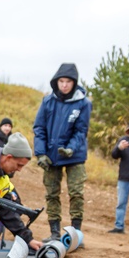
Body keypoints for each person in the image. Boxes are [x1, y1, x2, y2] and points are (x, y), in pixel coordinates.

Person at [32, 63, 91, 241]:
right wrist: (40, 153)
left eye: (68, 82)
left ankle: (75, 233)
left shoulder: (83, 103)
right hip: (51, 155)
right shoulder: (48, 101)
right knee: (51, 193)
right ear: (56, 82)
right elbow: (39, 128)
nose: (64, 85)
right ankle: (55, 232)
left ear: (74, 83)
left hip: (75, 156)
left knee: (76, 192)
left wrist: (71, 148)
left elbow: (81, 130)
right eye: (61, 81)